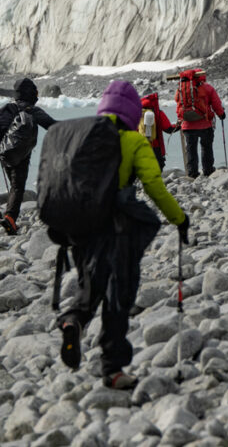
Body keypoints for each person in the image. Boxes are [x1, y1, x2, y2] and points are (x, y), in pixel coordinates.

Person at [57, 80, 189, 389]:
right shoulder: (133, 140)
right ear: (131, 111)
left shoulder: (83, 135)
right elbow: (154, 186)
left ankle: (73, 320)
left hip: (82, 226)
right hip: (118, 228)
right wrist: (179, 219)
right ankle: (112, 368)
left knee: (91, 283)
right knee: (119, 294)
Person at [0, 77, 56, 234]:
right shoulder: (32, 110)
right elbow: (53, 126)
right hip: (22, 155)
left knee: (14, 187)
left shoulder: (7, 108)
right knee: (18, 187)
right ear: (31, 93)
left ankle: (10, 217)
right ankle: (10, 218)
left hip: (4, 154)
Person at [175, 68, 226, 178]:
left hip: (187, 125)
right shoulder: (207, 88)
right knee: (206, 147)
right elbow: (216, 104)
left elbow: (179, 105)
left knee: (191, 149)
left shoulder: (182, 88)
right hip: (205, 123)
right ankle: (208, 170)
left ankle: (192, 173)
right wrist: (221, 114)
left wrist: (180, 120)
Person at [139, 92, 178, 169]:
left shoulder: (138, 113)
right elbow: (168, 129)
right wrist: (179, 125)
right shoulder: (157, 113)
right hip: (155, 146)